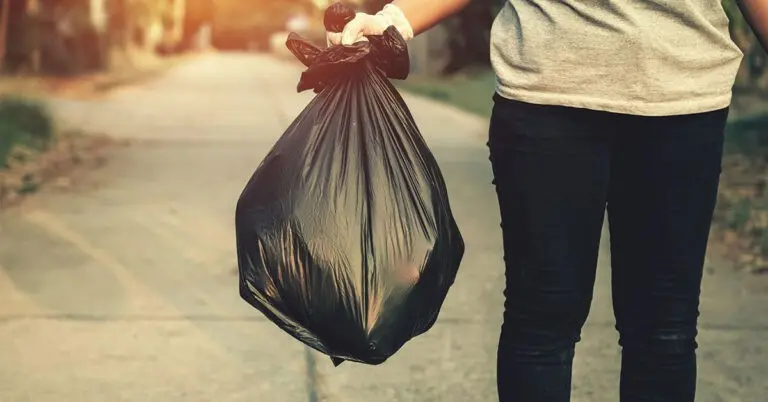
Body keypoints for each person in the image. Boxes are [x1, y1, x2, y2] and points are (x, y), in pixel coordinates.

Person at [327, 1, 768, 401]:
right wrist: (393, 20)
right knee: (542, 318)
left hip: (683, 101)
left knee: (664, 327)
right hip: (547, 95)